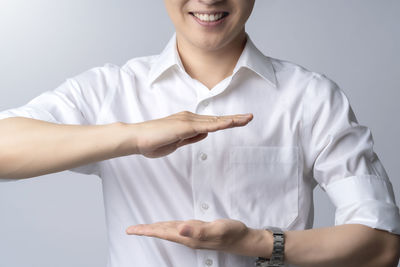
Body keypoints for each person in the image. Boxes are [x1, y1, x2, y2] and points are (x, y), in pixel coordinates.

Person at [0, 0, 399, 266]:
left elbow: (382, 245)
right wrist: (132, 136)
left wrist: (255, 243)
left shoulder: (311, 98)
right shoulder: (110, 90)